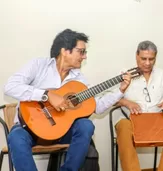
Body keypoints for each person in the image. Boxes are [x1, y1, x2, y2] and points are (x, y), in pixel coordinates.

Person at [4, 29, 131, 171]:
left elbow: (97, 106)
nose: (84, 57)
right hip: (29, 129)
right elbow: (10, 87)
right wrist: (46, 95)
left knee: (86, 125)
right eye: (81, 52)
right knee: (16, 138)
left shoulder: (79, 80)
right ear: (65, 51)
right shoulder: (38, 65)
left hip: (62, 133)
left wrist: (121, 90)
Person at [115, 40, 163, 171]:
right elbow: (111, 99)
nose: (147, 63)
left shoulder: (162, 75)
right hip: (131, 120)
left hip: (157, 121)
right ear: (136, 56)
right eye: (143, 58)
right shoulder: (125, 74)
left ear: (155, 57)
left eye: (151, 59)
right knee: (122, 126)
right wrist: (127, 102)